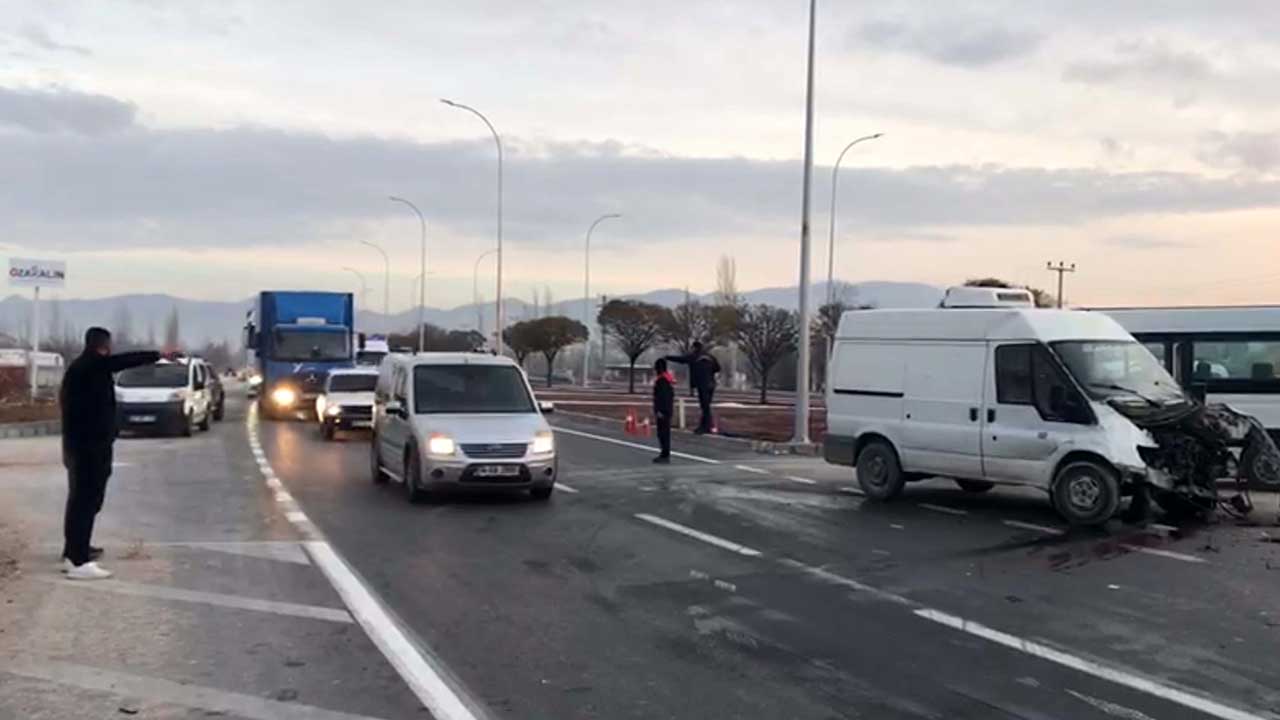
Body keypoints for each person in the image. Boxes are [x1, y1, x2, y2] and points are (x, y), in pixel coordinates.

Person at [59, 327, 160, 580]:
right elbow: (122, 361)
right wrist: (156, 355)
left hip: (83, 446)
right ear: (103, 346)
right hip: (89, 448)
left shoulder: (82, 368)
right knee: (85, 501)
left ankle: (75, 550)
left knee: (83, 501)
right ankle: (78, 561)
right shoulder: (90, 366)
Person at [667, 341, 720, 434]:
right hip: (711, 384)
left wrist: (667, 357)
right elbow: (718, 368)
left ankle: (706, 427)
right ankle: (705, 426)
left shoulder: (694, 356)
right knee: (706, 406)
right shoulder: (710, 357)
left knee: (705, 406)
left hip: (702, 383)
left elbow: (681, 359)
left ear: (694, 348)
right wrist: (709, 371)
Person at [652, 358, 675, 463]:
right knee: (664, 432)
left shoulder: (662, 381)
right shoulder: (667, 379)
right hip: (667, 409)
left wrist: (660, 411)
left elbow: (663, 397)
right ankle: (664, 453)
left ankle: (665, 455)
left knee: (663, 433)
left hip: (663, 410)